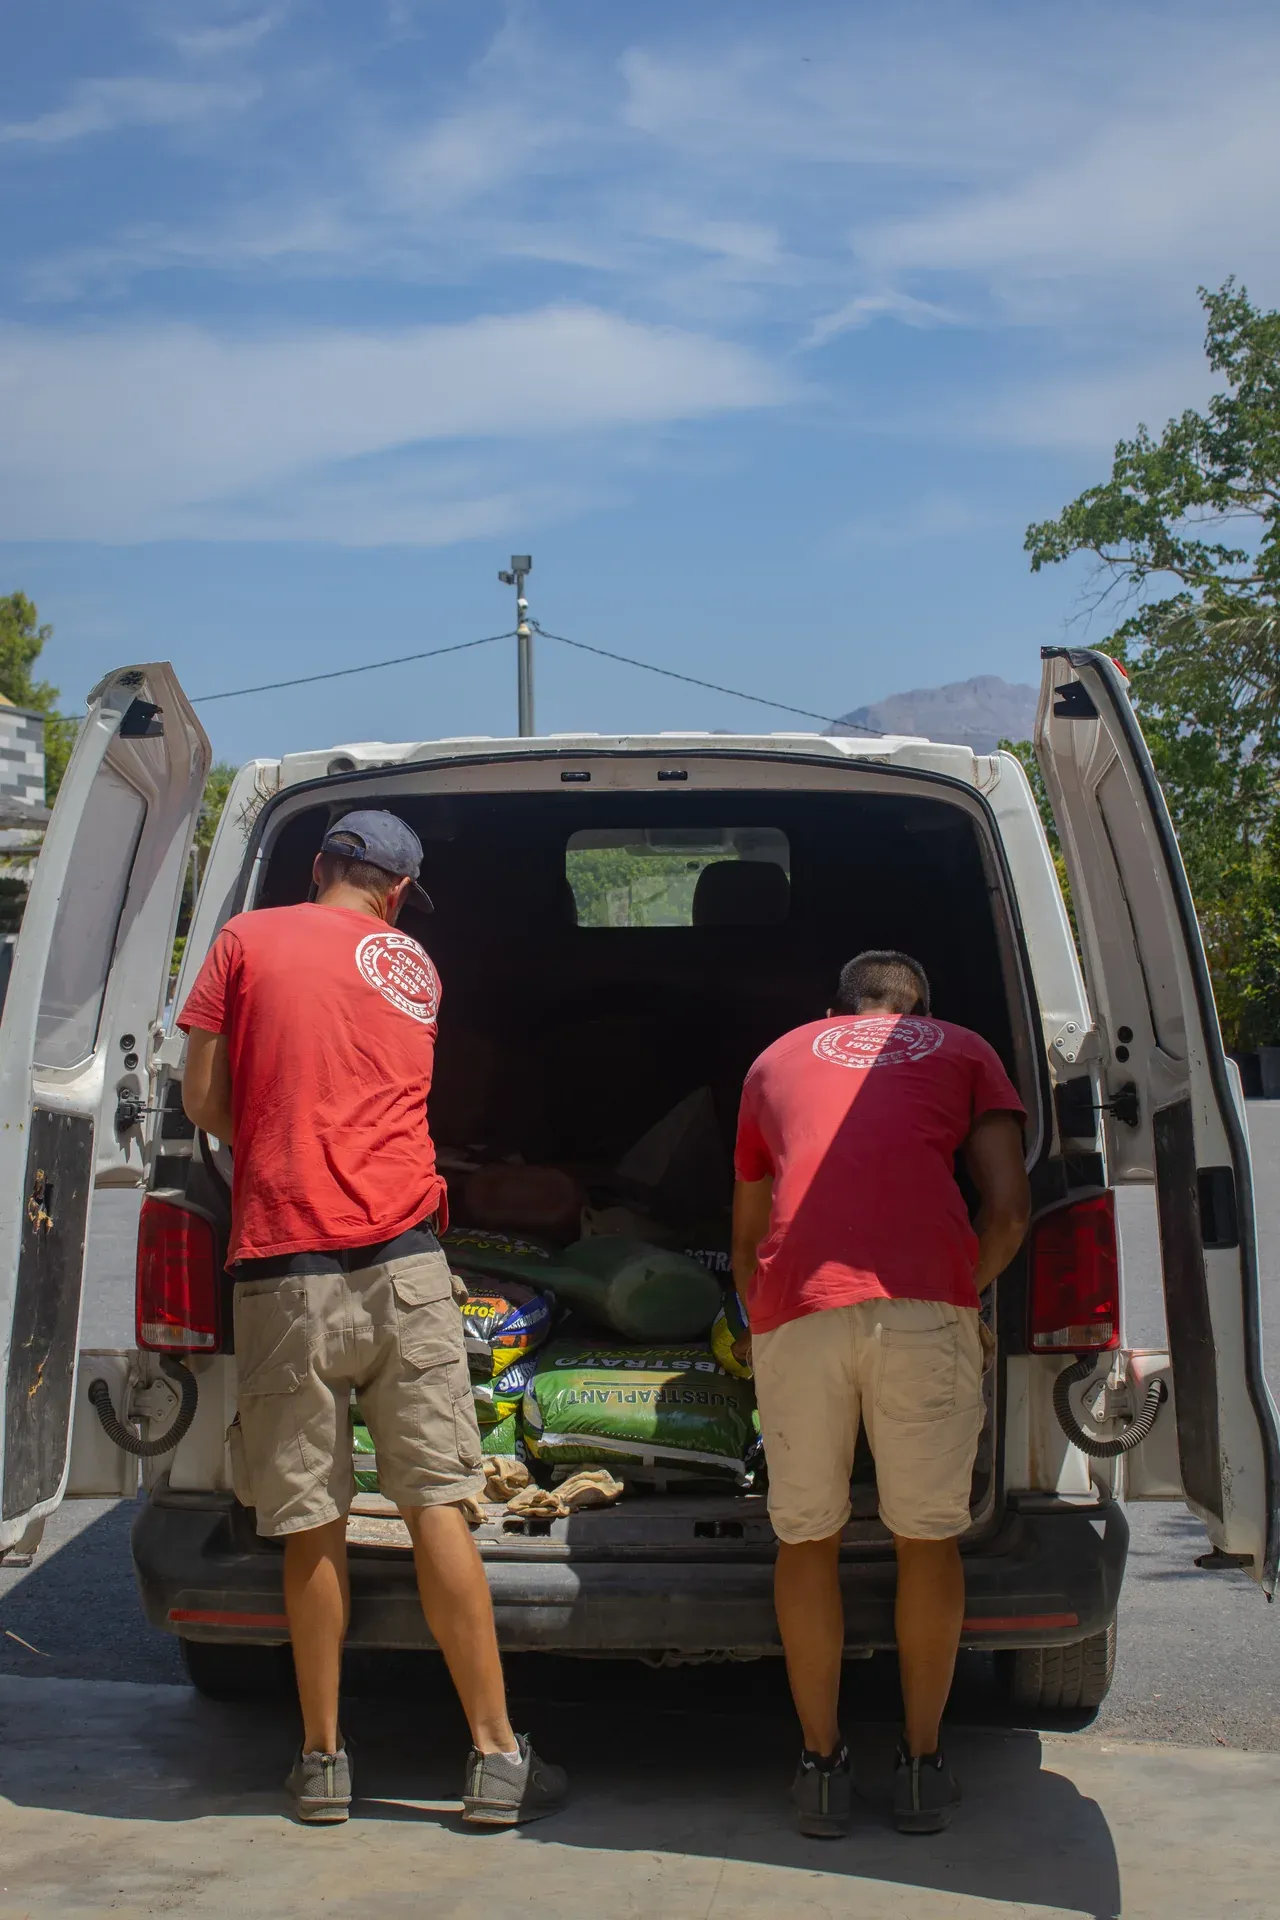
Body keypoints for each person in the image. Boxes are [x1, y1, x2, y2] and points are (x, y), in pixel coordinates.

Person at [179, 809, 567, 1828]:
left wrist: (267, 1135)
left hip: (285, 1269)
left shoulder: (243, 941)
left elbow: (202, 1094)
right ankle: (493, 1756)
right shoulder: (414, 965)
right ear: (396, 891)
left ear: (319, 866)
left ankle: (321, 1763)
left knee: (312, 1519)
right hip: (405, 1265)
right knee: (439, 1501)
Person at [732, 950, 1030, 1837]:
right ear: (919, 1011)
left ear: (839, 1010)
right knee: (927, 1539)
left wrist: (767, 1321)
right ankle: (922, 1765)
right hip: (923, 1311)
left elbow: (748, 1234)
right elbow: (1010, 1208)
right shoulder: (966, 1049)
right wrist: (953, 1287)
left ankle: (821, 1766)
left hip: (799, 1312)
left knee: (807, 1539)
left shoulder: (777, 1058)